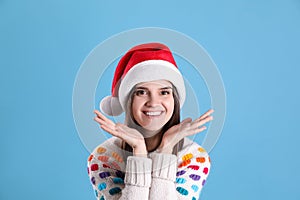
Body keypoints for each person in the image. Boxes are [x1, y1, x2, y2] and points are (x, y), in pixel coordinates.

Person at [87, 43, 214, 200]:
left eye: (164, 92)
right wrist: (139, 153)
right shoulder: (103, 158)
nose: (153, 102)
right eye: (141, 92)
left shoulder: (194, 157)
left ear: (174, 100)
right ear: (128, 101)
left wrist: (166, 149)